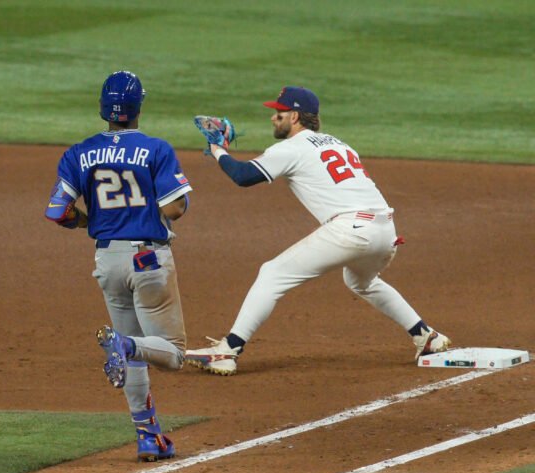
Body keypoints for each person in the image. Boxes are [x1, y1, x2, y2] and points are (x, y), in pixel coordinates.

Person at [185, 86, 450, 376]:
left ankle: (228, 350)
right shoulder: (340, 144)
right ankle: (426, 335)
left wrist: (217, 148)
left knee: (272, 273)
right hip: (385, 229)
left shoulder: (291, 147)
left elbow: (243, 176)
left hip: (351, 229)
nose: (274, 119)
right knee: (361, 281)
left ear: (295, 116)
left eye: (279, 113)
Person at [45, 70, 192, 461]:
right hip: (147, 259)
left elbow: (58, 211)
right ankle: (123, 343)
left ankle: (148, 437)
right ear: (138, 107)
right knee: (174, 353)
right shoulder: (156, 149)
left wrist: (88, 221)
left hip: (106, 260)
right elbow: (174, 206)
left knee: (134, 355)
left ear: (103, 109)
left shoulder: (79, 152)